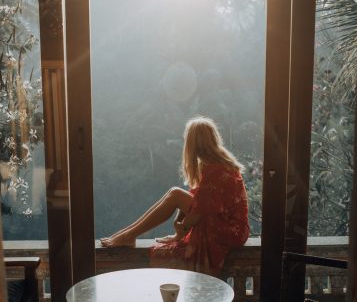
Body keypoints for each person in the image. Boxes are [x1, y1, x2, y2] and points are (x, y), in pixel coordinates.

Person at [101, 117, 250, 275]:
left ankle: (128, 236)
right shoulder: (216, 163)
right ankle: (126, 235)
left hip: (231, 230)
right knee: (174, 193)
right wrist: (179, 226)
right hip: (229, 226)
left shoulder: (216, 168)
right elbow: (197, 200)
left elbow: (198, 211)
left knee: (175, 194)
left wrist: (180, 232)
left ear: (194, 143)